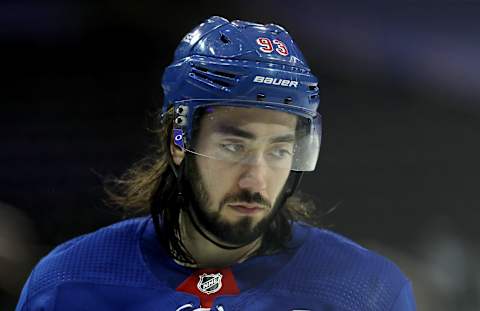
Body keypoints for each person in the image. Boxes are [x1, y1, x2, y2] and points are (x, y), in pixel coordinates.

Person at [16, 16, 416, 310]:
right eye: (233, 147)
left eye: (278, 151)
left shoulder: (368, 291)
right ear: (178, 140)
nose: (256, 180)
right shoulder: (66, 283)